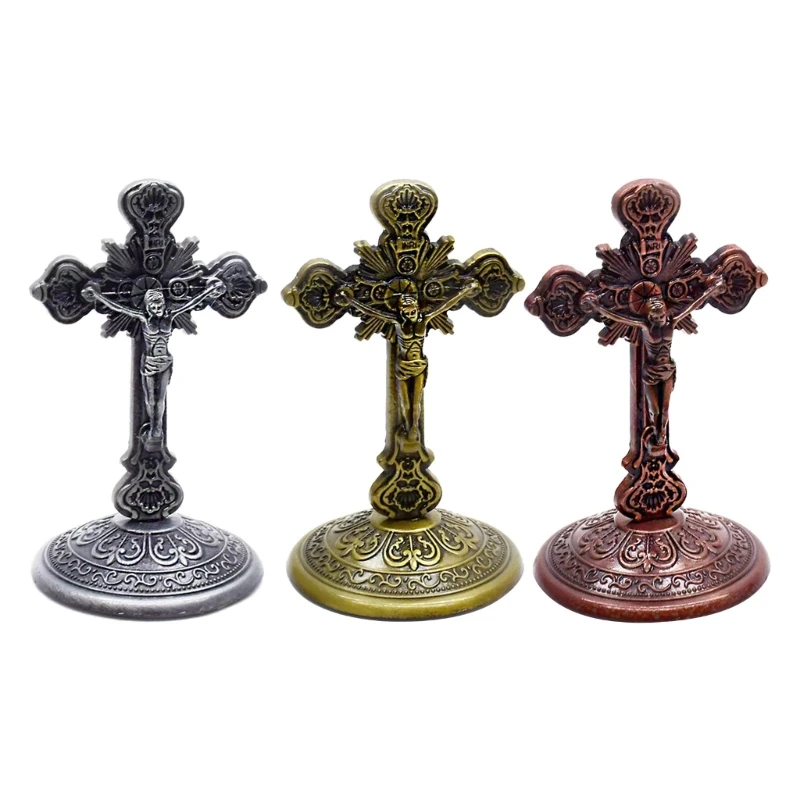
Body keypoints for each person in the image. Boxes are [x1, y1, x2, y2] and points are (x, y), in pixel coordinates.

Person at [580, 276, 725, 449]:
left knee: (665, 410)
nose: (660, 319)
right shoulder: (646, 327)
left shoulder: (671, 323)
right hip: (651, 372)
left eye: (662, 315)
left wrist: (711, 290)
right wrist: (596, 306)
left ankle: (660, 436)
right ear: (649, 317)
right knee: (654, 410)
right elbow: (620, 318)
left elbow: (692, 305)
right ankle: (655, 433)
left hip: (668, 369)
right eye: (656, 317)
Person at [82, 278, 225, 450]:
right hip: (150, 363)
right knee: (151, 399)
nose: (157, 310)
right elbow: (120, 308)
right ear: (148, 307)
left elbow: (191, 303)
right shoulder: (143, 318)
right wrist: (97, 295)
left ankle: (156, 430)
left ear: (164, 304)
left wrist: (209, 291)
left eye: (160, 306)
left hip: (165, 361)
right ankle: (153, 427)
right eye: (154, 307)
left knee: (160, 398)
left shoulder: (170, 316)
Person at [336, 280, 480, 441]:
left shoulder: (424, 320)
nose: (410, 314)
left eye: (413, 311)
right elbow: (373, 312)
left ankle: (414, 427)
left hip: (419, 365)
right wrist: (350, 300)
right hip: (403, 367)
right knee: (405, 401)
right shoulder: (397, 322)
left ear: (417, 308)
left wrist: (466, 290)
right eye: (406, 311)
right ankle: (406, 425)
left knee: (416, 400)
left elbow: (445, 305)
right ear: (401, 310)